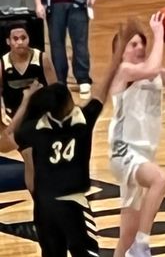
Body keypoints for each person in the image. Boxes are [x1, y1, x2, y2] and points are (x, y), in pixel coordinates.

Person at [13, 31, 124, 257]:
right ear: (66, 105)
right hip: (73, 203)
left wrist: (25, 100)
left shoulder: (32, 129)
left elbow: (12, 134)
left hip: (44, 206)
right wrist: (117, 56)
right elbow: (101, 92)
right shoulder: (81, 123)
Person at [108, 13, 165, 257]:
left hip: (144, 154)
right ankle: (143, 242)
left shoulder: (154, 74)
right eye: (133, 44)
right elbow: (150, 67)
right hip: (123, 150)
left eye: (143, 43)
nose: (140, 47)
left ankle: (132, 244)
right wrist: (159, 34)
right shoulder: (123, 70)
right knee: (161, 180)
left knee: (125, 236)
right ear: (120, 52)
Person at [0, 21, 57, 121]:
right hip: (12, 115)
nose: (20, 42)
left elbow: (54, 88)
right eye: (15, 39)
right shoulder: (2, 63)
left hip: (40, 113)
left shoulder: (42, 58)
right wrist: (2, 110)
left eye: (23, 38)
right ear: (8, 41)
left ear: (29, 38)